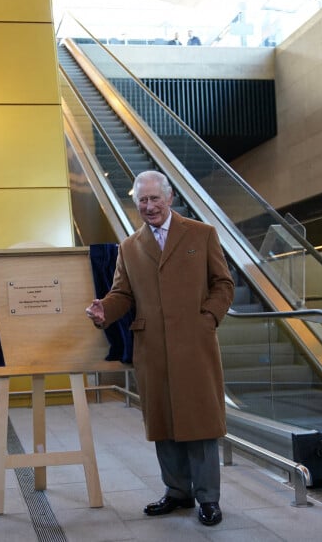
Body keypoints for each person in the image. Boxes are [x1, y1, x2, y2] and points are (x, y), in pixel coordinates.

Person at [85, 170, 234, 527]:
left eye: (155, 199)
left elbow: (223, 284)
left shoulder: (202, 234)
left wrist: (207, 319)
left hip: (195, 345)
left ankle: (208, 498)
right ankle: (177, 492)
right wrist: (106, 309)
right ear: (135, 203)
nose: (149, 206)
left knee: (200, 423)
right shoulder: (130, 246)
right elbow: (123, 294)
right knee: (163, 422)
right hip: (152, 347)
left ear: (169, 198)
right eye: (142, 201)